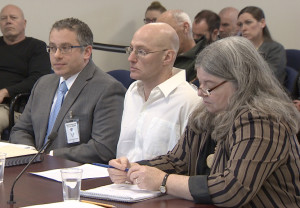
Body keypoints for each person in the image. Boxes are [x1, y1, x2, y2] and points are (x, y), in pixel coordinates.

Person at [108, 36, 300, 207]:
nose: (200, 93)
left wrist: (163, 181)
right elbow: (177, 161)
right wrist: (134, 168)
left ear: (241, 82)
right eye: (201, 84)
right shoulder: (207, 111)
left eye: (209, 86)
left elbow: (231, 190)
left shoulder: (263, 120)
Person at [10, 18, 126, 164]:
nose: (57, 55)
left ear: (87, 52)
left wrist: (50, 156)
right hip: (32, 169)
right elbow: (20, 130)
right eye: (52, 47)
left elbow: (103, 148)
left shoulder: (108, 89)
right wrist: (30, 153)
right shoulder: (43, 84)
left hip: (74, 176)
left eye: (65, 48)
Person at [117, 23, 201, 162]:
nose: (131, 58)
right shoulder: (132, 91)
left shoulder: (189, 101)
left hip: (162, 182)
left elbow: (189, 165)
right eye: (131, 49)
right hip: (122, 181)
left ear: (167, 57)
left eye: (142, 52)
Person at [0, 4, 51, 137]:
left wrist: (6, 92)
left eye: (13, 17)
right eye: (3, 18)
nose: (8, 21)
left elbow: (39, 79)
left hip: (14, 106)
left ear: (24, 23)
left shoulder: (36, 47)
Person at [238, 6, 286, 84]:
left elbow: (269, 78)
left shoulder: (276, 49)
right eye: (240, 24)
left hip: (267, 93)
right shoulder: (238, 49)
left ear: (262, 23)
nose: (243, 28)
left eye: (248, 22)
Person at [157, 10, 207, 82]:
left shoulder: (203, 60)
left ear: (185, 27)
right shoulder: (158, 55)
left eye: (167, 32)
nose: (162, 38)